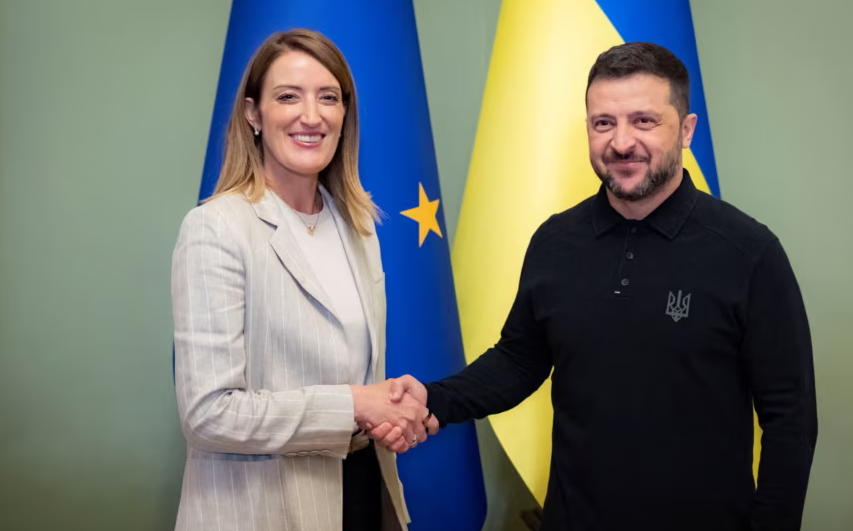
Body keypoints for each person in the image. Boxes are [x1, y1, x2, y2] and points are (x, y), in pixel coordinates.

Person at [373, 42, 817, 531]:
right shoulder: (555, 241)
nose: (621, 142)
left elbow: (790, 418)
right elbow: (519, 361)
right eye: (604, 122)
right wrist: (433, 399)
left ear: (687, 130)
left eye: (644, 121)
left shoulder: (749, 253)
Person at [171, 29, 435, 531]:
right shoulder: (216, 228)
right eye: (288, 96)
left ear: (345, 114)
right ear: (253, 114)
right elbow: (208, 413)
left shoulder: (358, 226)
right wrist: (355, 404)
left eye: (328, 98)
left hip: (361, 489)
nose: (311, 116)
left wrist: (385, 407)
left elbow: (351, 371)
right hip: (262, 510)